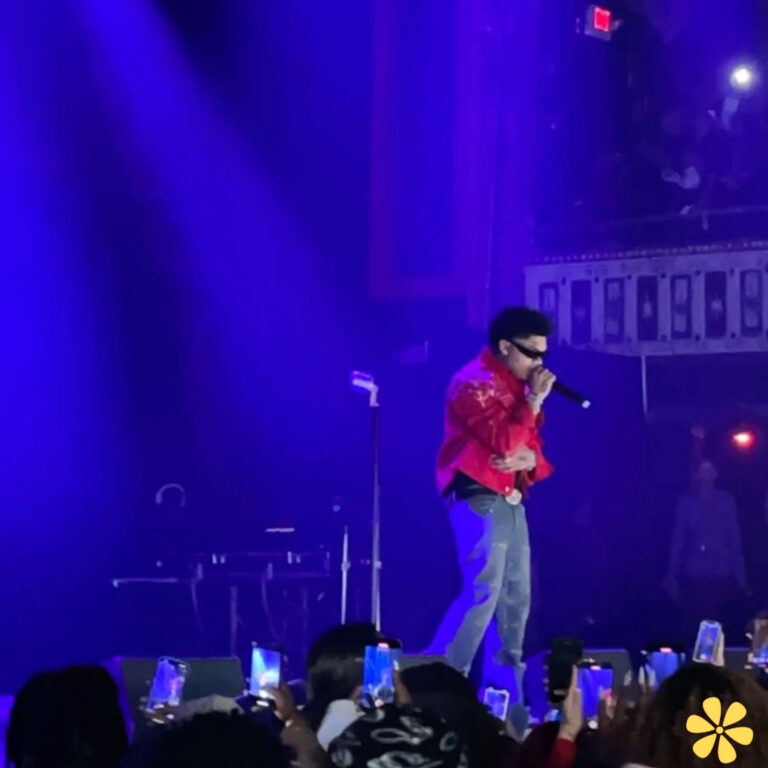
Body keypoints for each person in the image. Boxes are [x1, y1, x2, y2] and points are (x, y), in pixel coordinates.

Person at [428, 306, 557, 693]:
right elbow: (502, 440)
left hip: (512, 500)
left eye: (543, 355)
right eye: (532, 353)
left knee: (516, 602)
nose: (539, 363)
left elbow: (533, 451)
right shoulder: (473, 383)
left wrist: (531, 459)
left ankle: (506, 702)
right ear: (505, 346)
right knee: (483, 589)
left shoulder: (519, 391)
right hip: (478, 495)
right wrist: (533, 403)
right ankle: (441, 683)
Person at [664, 458, 750, 626]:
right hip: (695, 571)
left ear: (715, 473)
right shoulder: (687, 502)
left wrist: (741, 576)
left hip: (721, 571)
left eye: (709, 469)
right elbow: (678, 540)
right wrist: (671, 575)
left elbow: (734, 538)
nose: (706, 474)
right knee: (697, 621)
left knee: (718, 622)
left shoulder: (725, 500)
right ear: (697, 474)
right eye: (702, 470)